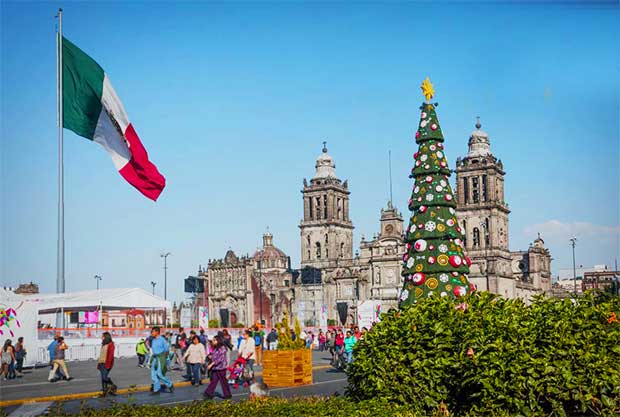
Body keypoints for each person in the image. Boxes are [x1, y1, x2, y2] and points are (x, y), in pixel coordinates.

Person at [203, 335, 232, 399]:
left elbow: (220, 359)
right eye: (213, 340)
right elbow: (213, 355)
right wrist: (210, 356)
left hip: (221, 368)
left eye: (214, 340)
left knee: (223, 381)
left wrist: (211, 364)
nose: (213, 341)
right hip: (216, 368)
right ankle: (208, 393)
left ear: (218, 341)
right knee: (214, 381)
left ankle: (227, 394)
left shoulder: (222, 348)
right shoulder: (216, 348)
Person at [149, 327, 174, 395]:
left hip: (160, 358)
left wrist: (164, 360)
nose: (152, 333)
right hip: (154, 358)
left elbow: (166, 350)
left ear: (157, 332)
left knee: (159, 374)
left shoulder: (162, 340)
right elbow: (153, 351)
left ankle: (170, 384)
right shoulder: (153, 340)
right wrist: (151, 360)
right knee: (153, 375)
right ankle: (156, 390)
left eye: (153, 331)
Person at [97, 332, 117, 396]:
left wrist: (108, 365)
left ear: (106, 337)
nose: (101, 337)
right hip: (101, 363)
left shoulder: (111, 345)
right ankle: (104, 391)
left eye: (102, 336)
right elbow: (101, 354)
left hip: (107, 363)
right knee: (102, 378)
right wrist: (99, 363)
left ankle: (113, 385)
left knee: (105, 377)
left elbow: (110, 355)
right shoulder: (103, 344)